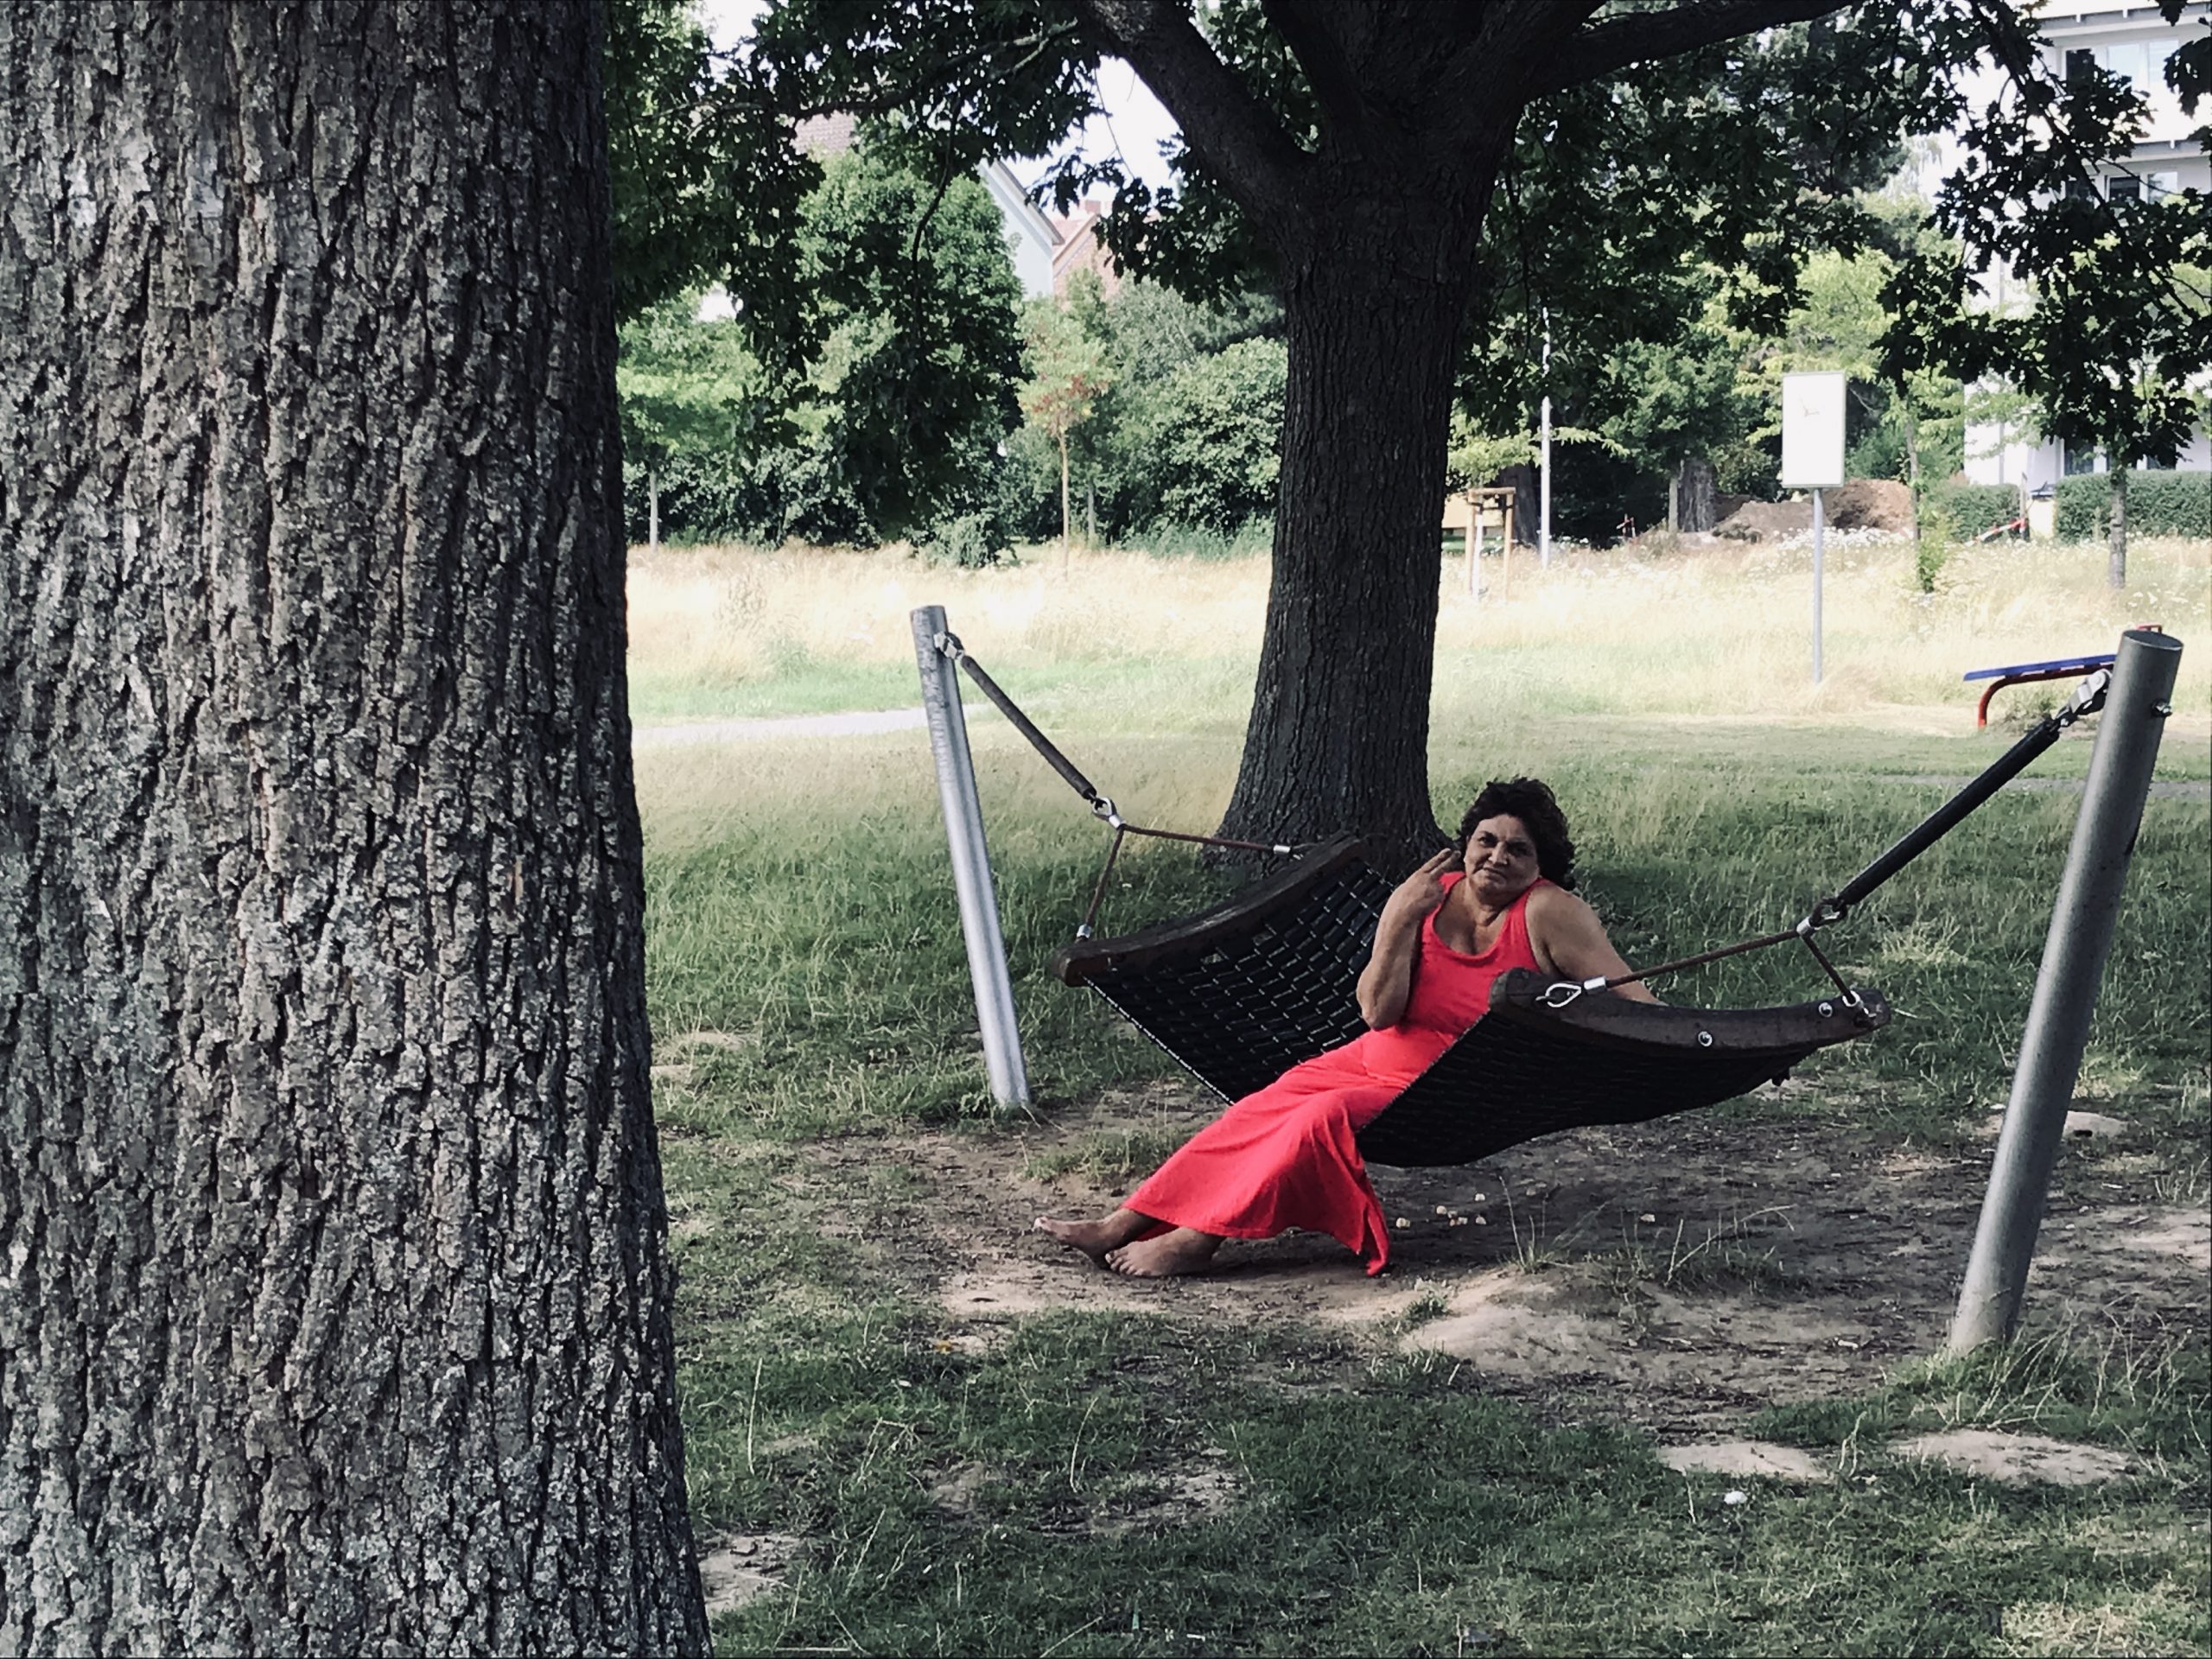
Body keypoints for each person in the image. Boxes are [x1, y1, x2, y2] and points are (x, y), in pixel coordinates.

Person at [1033, 777, 1657, 1279]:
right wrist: (1396, 918)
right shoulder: (1427, 895)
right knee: (1259, 1110)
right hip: (1373, 1054)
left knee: (1314, 1120)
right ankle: (1124, 1221)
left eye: (1517, 849)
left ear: (1541, 864)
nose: (1496, 857)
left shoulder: (1550, 911)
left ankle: (1199, 1239)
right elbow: (1378, 1012)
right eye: (1485, 841)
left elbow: (1633, 998)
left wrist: (1683, 1052)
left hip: (1452, 1084)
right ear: (1465, 843)